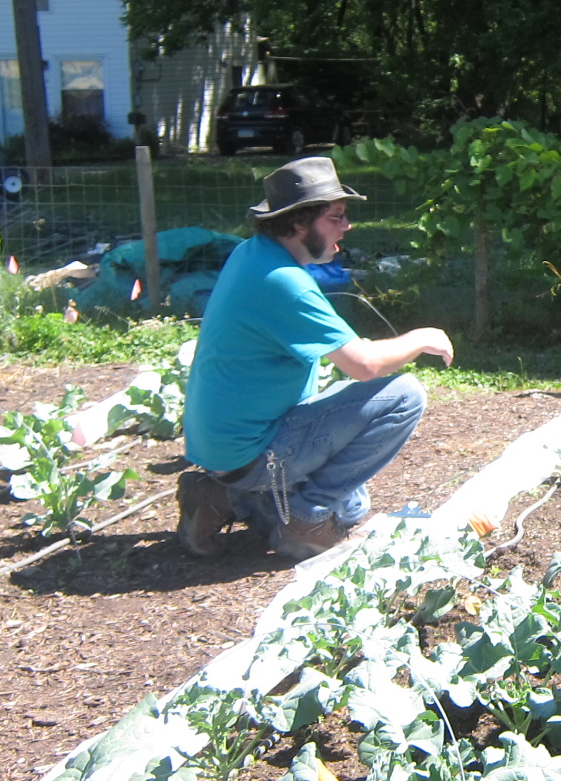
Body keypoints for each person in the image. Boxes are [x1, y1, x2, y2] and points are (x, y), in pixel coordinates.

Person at [177, 157, 455, 560]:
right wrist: (421, 336)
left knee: (355, 503)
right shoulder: (285, 283)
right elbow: (365, 365)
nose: (347, 226)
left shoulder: (252, 254)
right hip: (253, 452)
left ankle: (221, 495)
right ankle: (303, 518)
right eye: (336, 217)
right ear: (296, 224)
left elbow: (348, 351)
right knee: (405, 395)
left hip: (224, 448)